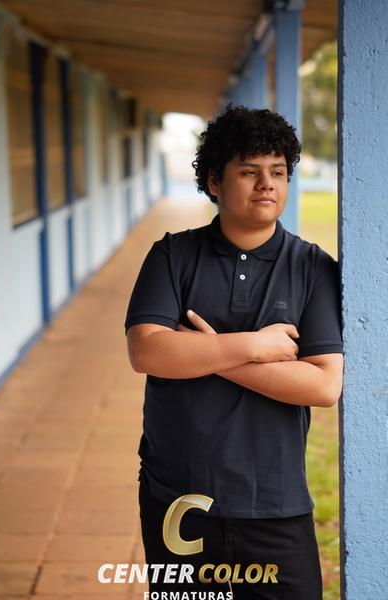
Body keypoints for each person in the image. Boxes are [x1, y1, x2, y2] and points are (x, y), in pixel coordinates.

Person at [125, 105, 343, 599]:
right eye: (249, 171)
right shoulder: (171, 255)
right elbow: (147, 352)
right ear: (214, 182)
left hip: (275, 501)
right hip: (179, 496)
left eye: (278, 172)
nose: (266, 184)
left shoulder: (313, 268)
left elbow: (323, 385)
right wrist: (255, 346)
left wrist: (203, 351)